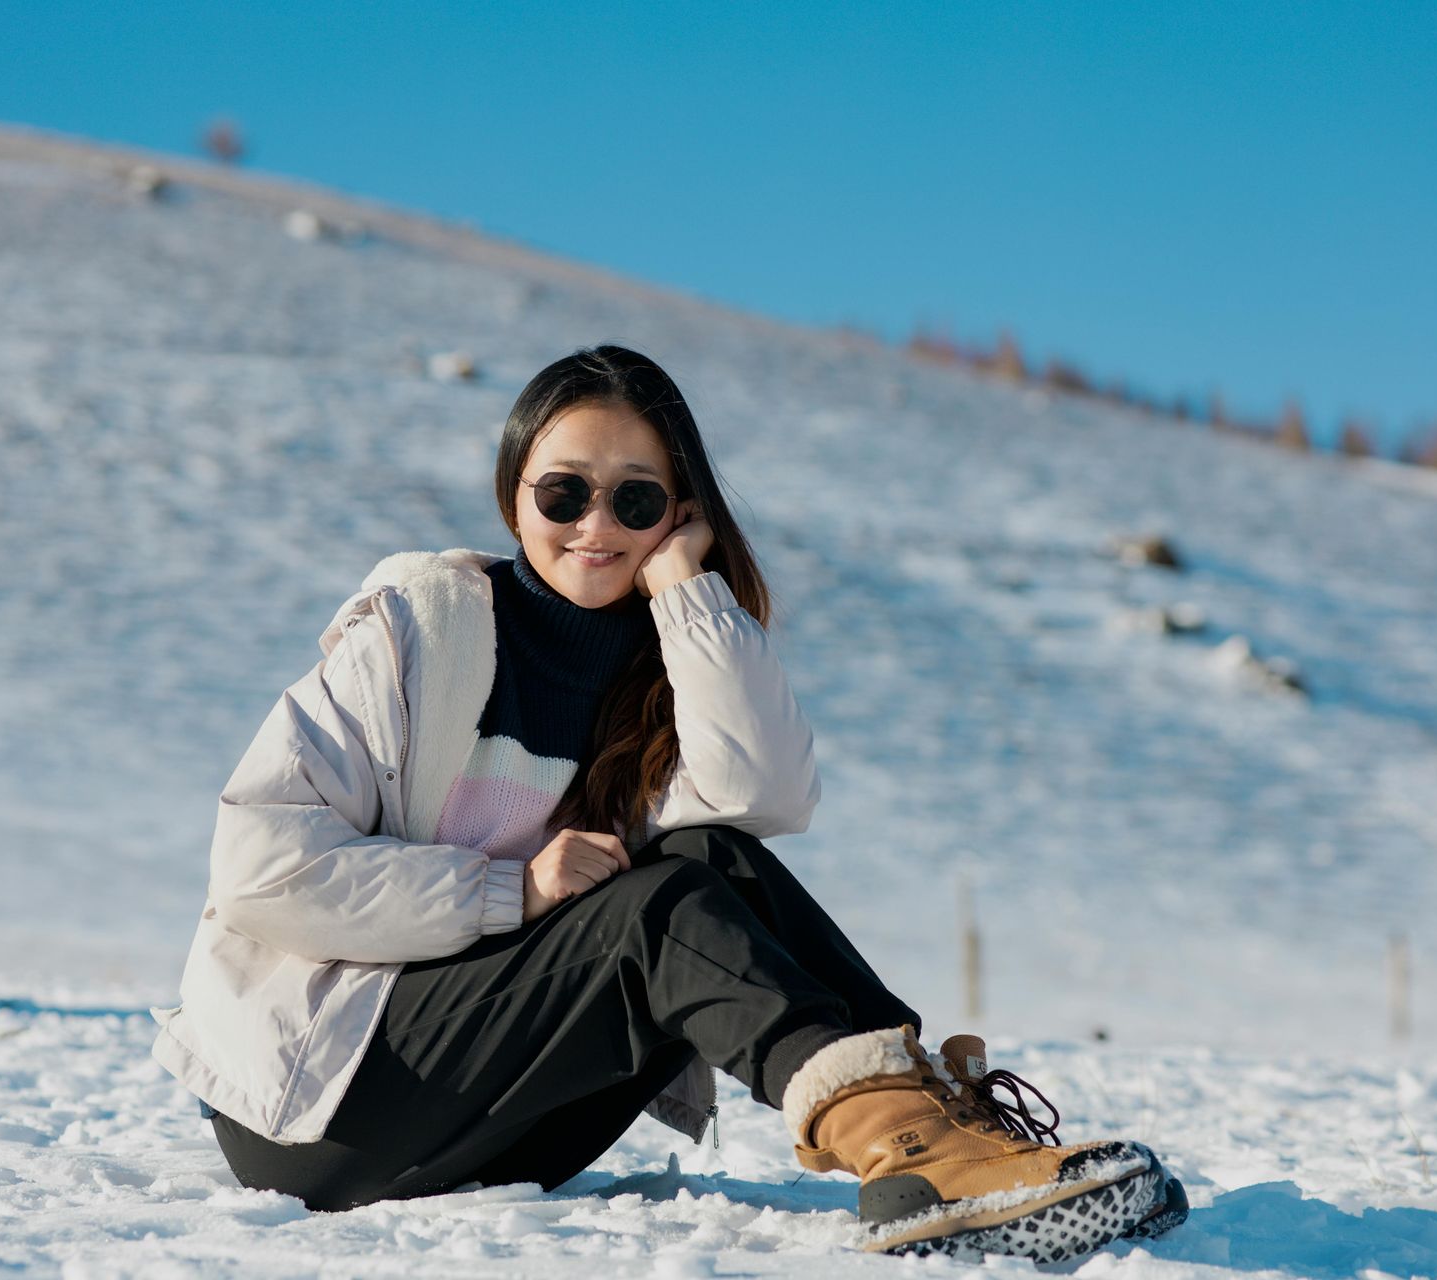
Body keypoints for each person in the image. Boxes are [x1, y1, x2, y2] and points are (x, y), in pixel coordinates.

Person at [148, 344, 1187, 1261]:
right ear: (516, 494)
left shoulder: (663, 664)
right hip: (320, 1098)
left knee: (708, 860)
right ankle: (906, 1148)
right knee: (655, 909)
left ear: (677, 510)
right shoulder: (418, 630)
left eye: (636, 500)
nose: (598, 525)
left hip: (491, 1101)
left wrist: (690, 591)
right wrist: (508, 887)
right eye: (565, 493)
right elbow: (261, 865)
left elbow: (760, 793)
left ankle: (937, 1131)